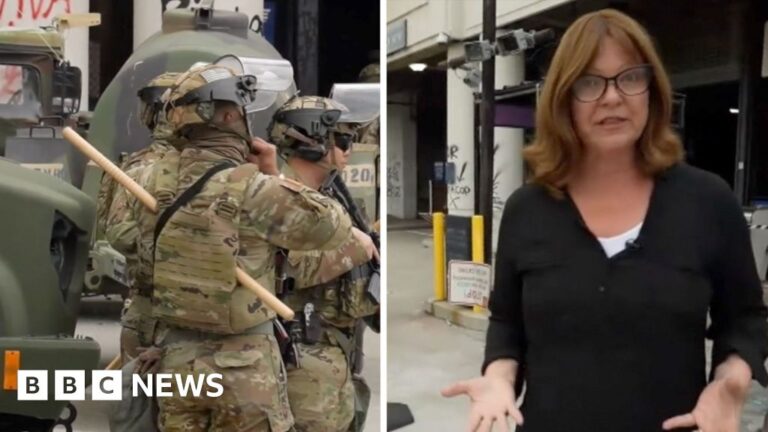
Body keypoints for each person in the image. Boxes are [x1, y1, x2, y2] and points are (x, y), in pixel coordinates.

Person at [442, 9, 768, 432]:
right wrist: (499, 378)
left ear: (652, 90)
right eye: (589, 83)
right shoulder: (527, 209)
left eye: (629, 77)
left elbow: (744, 320)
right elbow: (507, 324)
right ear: (563, 100)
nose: (612, 97)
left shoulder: (708, 202)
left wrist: (731, 381)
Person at [107, 64, 375, 432]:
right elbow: (331, 225)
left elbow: (128, 242)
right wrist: (271, 174)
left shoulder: (145, 178)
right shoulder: (254, 189)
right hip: (242, 368)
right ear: (229, 116)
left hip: (176, 359)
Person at [267, 95, 380, 432]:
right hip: (301, 362)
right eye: (342, 139)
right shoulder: (279, 196)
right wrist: (354, 247)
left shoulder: (328, 197)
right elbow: (286, 269)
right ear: (313, 141)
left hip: (335, 357)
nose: (349, 149)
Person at [99, 71, 179, 363]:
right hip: (192, 312)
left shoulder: (138, 169)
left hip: (151, 308)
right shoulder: (223, 167)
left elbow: (117, 232)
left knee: (143, 390)